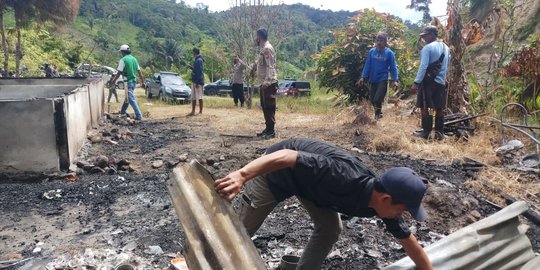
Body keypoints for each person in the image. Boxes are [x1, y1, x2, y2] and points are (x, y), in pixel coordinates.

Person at [215, 138, 433, 270]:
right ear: (386, 199)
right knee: (237, 233)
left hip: (310, 186)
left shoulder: (382, 204)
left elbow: (408, 241)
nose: (400, 216)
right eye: (402, 210)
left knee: (330, 228)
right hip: (275, 170)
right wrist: (242, 175)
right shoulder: (342, 176)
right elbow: (287, 156)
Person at [411, 26, 451, 140]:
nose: (424, 38)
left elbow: (423, 66)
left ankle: (426, 132)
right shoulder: (446, 48)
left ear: (433, 35)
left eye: (426, 35)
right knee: (439, 107)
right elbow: (447, 64)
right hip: (440, 82)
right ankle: (439, 133)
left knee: (424, 106)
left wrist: (416, 82)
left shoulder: (427, 48)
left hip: (428, 82)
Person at [356, 32, 399, 120]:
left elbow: (393, 67)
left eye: (382, 40)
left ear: (386, 42)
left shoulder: (389, 53)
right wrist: (363, 77)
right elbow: (367, 65)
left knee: (377, 98)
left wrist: (395, 79)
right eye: (378, 40)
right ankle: (378, 115)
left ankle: (379, 115)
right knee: (372, 99)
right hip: (373, 79)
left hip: (382, 79)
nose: (379, 42)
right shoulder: (372, 52)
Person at [111, 44, 145, 120]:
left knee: (130, 97)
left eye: (121, 52)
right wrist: (143, 82)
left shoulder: (123, 60)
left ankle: (139, 115)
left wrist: (114, 80)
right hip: (134, 81)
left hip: (128, 81)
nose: (121, 53)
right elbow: (139, 72)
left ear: (123, 52)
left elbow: (119, 72)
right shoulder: (134, 59)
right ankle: (122, 112)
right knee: (128, 98)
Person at [255, 28, 278, 139]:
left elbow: (270, 66)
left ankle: (271, 131)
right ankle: (268, 128)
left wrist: (267, 82)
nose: (256, 39)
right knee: (264, 106)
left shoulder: (267, 48)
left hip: (268, 83)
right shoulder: (263, 49)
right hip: (263, 83)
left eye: (256, 37)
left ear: (259, 37)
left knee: (269, 106)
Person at [188, 47, 204, 116]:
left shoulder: (199, 60)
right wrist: (191, 67)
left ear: (194, 52)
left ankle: (200, 111)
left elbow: (199, 72)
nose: (192, 54)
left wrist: (198, 82)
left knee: (199, 97)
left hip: (198, 81)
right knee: (193, 97)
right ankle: (193, 111)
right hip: (195, 80)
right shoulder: (197, 60)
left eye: (193, 52)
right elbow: (196, 70)